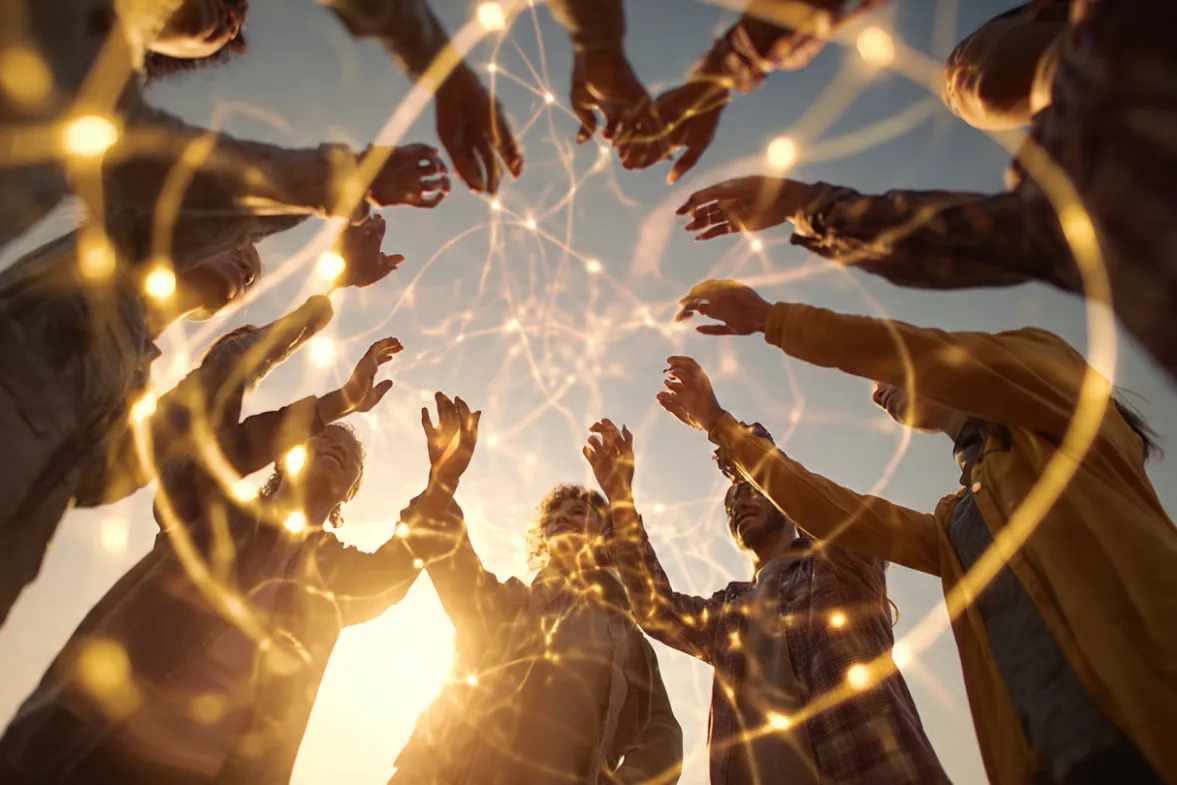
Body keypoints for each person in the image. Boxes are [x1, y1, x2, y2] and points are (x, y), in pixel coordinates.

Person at [664, 278, 1177, 785]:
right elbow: (833, 511)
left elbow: (923, 352)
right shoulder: (952, 522)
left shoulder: (1065, 417)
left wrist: (771, 320)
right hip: (1058, 760)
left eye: (885, 372)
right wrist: (718, 423)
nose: (875, 389)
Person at [675, 0, 1177, 389]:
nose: (956, 86)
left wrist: (726, 66)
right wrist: (798, 205)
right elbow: (948, 239)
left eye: (967, 61)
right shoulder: (1074, 220)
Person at [0, 337, 431, 785]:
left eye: (350, 458)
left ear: (349, 493)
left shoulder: (334, 574)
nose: (337, 447)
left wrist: (442, 482)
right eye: (322, 438)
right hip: (91, 749)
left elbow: (392, 573)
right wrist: (337, 404)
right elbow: (205, 457)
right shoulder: (214, 512)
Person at [0, 208, 406, 628]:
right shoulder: (85, 275)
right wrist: (322, 199)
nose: (249, 265)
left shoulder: (131, 400)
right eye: (235, 242)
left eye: (252, 278)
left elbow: (192, 439)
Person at [583, 419, 949, 785]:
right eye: (731, 504)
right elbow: (656, 609)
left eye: (749, 491)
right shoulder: (731, 612)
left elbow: (821, 507)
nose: (738, 503)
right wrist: (620, 498)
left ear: (783, 503)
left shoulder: (840, 567)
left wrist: (726, 432)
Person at [388, 394, 683, 785]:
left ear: (603, 533)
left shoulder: (626, 635)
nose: (563, 519)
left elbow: (662, 738)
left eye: (578, 512)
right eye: (554, 518)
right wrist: (443, 478)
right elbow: (450, 555)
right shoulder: (508, 603)